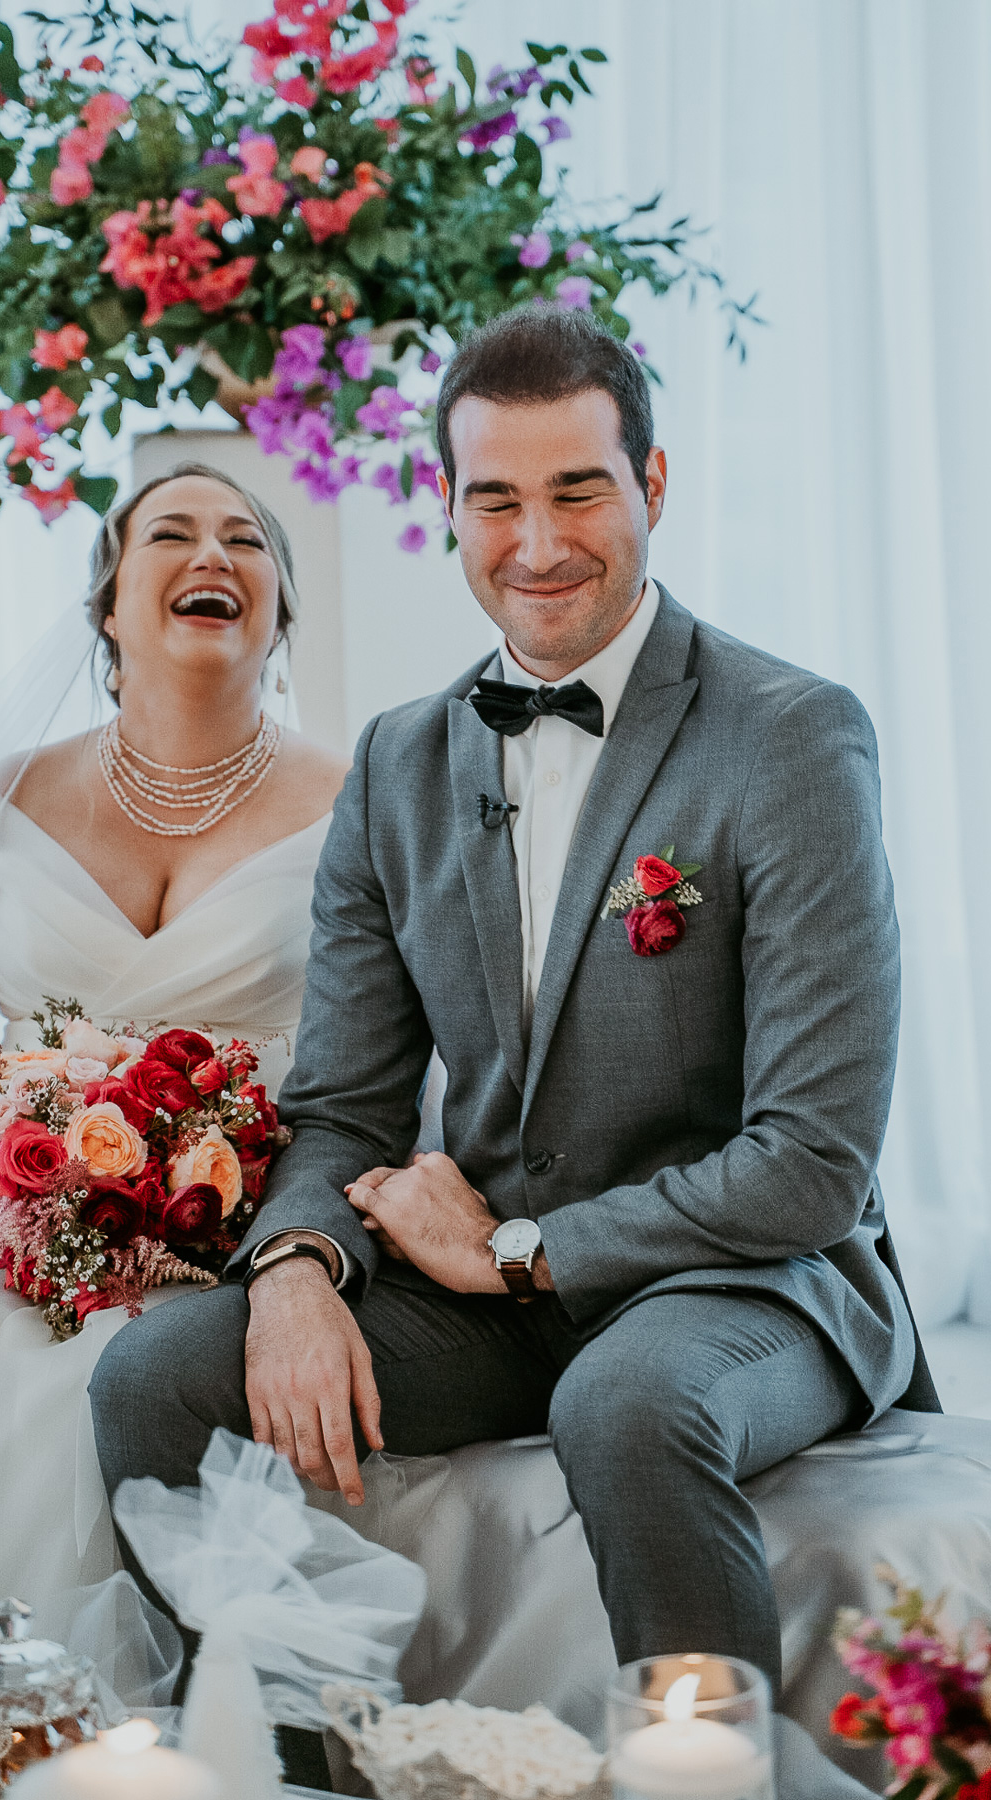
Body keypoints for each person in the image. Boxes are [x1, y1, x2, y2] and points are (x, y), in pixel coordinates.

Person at [91, 311, 938, 1754]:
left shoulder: (793, 734)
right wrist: (295, 1268)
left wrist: (518, 1252)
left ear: (654, 485)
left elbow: (810, 1163)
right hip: (487, 1295)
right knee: (154, 1373)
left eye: (577, 492)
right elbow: (348, 1104)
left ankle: (710, 1784)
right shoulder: (399, 761)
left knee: (627, 1404)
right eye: (497, 500)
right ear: (452, 514)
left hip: (755, 1281)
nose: (536, 543)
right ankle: (287, 1766)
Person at [0, 463, 346, 1685]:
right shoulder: (7, 801)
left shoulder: (351, 807)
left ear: (281, 612)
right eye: (174, 533)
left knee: (107, 1390)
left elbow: (386, 1071)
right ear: (108, 603)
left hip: (239, 1243)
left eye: (248, 540)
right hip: (23, 1232)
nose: (214, 554)